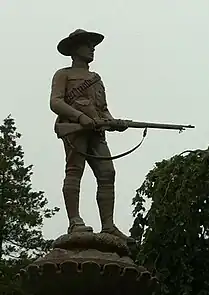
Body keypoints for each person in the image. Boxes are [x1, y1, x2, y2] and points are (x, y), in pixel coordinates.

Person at [50, 29, 133, 243]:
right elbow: (56, 102)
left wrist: (114, 122)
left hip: (96, 131)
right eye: (87, 45)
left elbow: (102, 108)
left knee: (108, 173)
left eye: (92, 45)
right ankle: (74, 221)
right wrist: (79, 117)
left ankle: (108, 225)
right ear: (75, 49)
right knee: (74, 170)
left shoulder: (96, 78)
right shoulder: (63, 74)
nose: (92, 49)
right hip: (75, 129)